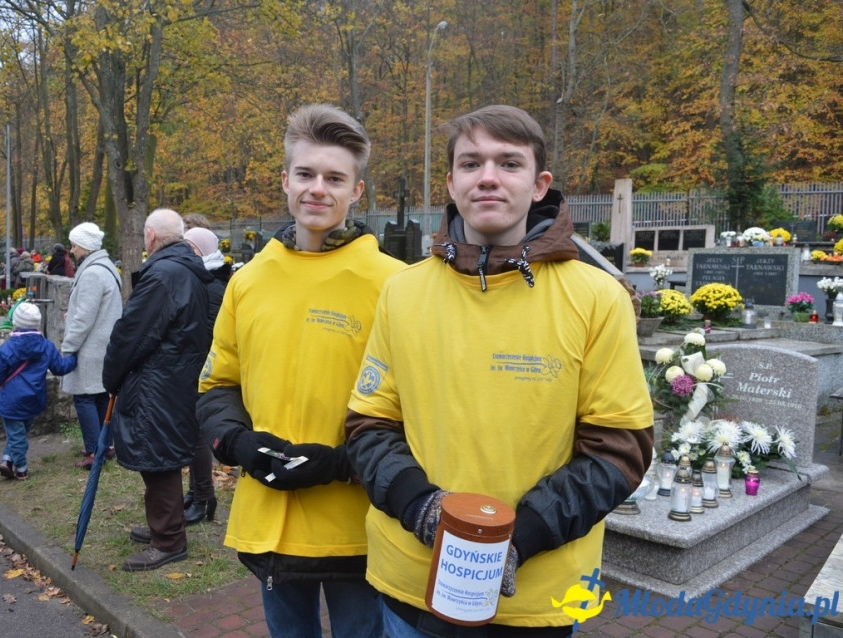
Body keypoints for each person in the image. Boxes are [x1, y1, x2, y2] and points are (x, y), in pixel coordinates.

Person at [343, 105, 654, 637]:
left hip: (539, 594)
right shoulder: (402, 292)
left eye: (509, 163)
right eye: (471, 163)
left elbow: (620, 448)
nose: (487, 177)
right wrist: (419, 505)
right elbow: (369, 424)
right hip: (409, 582)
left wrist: (520, 537)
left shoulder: (598, 298)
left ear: (539, 185)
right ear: (452, 182)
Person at [196, 103, 404, 638]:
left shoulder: (395, 284)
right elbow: (219, 383)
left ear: (356, 191)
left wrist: (344, 464)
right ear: (285, 181)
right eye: (306, 174)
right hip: (268, 518)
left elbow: (421, 401)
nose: (318, 189)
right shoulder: (249, 280)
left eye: (335, 178)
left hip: (356, 521)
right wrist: (239, 445)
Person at [103, 208, 215, 572]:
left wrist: (111, 377)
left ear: (150, 236)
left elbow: (130, 334)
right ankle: (163, 528)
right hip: (173, 378)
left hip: (158, 383)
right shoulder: (183, 269)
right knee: (159, 458)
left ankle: (168, 541)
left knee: (158, 459)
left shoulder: (164, 275)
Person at [0, 302, 77, 481]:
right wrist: (75, 358)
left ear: (17, 322)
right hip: (34, 398)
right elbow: (59, 367)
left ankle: (21, 469)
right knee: (19, 433)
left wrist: (1, 381)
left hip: (11, 400)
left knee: (16, 435)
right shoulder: (46, 346)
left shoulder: (8, 348)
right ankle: (7, 460)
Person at [60, 223, 122, 470]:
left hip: (91, 346)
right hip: (103, 343)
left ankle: (94, 450)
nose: (72, 250)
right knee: (98, 397)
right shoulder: (106, 269)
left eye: (75, 245)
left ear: (85, 246)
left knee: (85, 398)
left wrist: (69, 346)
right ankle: (104, 446)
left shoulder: (93, 273)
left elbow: (84, 317)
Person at [179, 227, 228, 525]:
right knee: (190, 434)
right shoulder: (204, 277)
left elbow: (207, 332)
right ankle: (197, 490)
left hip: (202, 369)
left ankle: (204, 496)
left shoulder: (212, 284)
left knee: (196, 436)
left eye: (190, 248)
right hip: (195, 364)